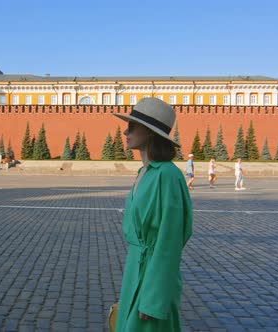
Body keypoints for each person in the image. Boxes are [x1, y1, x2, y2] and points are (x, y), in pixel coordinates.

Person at [113, 98, 193, 331]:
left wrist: (154, 297)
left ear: (149, 133)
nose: (126, 131)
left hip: (153, 279)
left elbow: (169, 241)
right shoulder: (145, 173)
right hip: (134, 270)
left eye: (133, 126)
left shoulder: (168, 176)